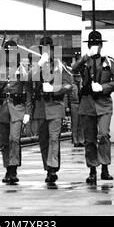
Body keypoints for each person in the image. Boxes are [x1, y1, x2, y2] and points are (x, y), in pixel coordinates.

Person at [72, 31, 114, 185]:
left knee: (104, 135)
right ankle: (92, 169)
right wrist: (86, 55)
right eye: (92, 45)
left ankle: (105, 167)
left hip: (103, 103)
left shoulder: (108, 61)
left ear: (101, 45)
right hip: (87, 103)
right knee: (89, 139)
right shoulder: (84, 61)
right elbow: (73, 68)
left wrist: (103, 87)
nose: (96, 47)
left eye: (97, 44)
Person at [0, 40, 32, 184]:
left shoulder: (22, 69)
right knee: (5, 142)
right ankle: (8, 168)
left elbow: (29, 92)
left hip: (17, 108)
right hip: (1, 109)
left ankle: (13, 169)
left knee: (14, 139)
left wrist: (28, 112)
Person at [31, 36, 72, 184]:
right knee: (43, 140)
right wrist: (38, 66)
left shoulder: (60, 65)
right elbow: (28, 80)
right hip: (41, 107)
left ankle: (52, 169)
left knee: (54, 139)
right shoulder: (36, 65)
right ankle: (48, 166)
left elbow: (69, 85)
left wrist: (55, 89)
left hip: (55, 105)